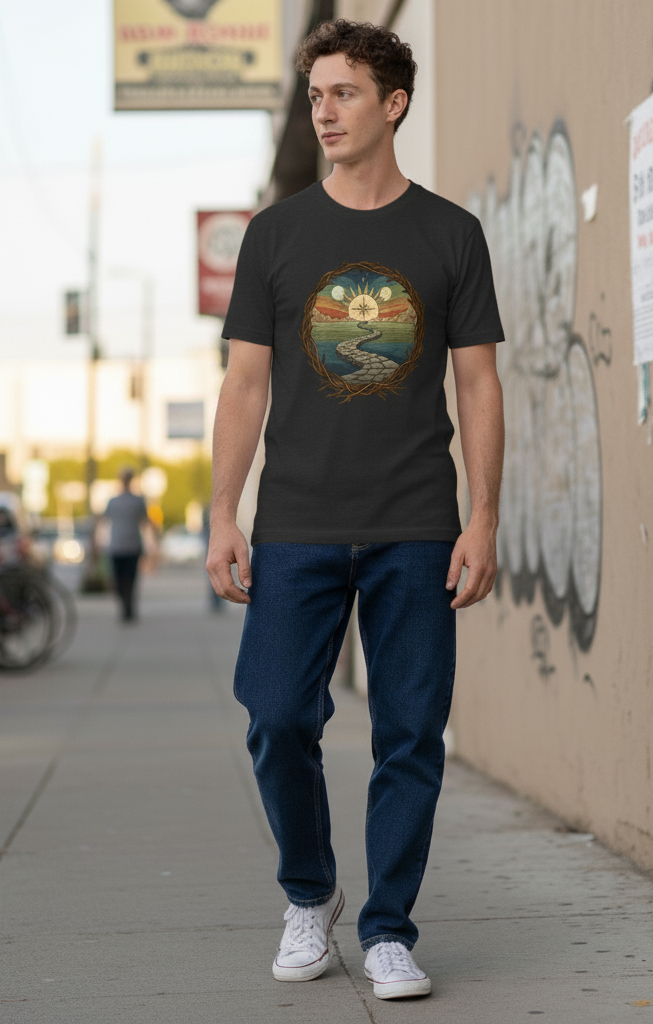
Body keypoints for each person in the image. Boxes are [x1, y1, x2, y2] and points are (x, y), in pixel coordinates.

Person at [206, 19, 504, 1002]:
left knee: (409, 729)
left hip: (416, 520)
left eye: (342, 94)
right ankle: (310, 893)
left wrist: (484, 519)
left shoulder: (449, 234)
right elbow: (244, 386)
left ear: (393, 105)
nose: (323, 111)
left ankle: (388, 930)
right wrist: (221, 514)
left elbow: (479, 387)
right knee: (277, 714)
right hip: (294, 519)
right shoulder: (277, 236)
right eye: (315, 95)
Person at [102, 467, 150, 622]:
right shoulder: (115, 501)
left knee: (128, 579)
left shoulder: (135, 500)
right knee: (123, 580)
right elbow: (103, 521)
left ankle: (128, 607)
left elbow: (145, 522)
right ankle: (125, 606)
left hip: (129, 545)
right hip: (120, 545)